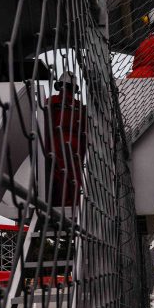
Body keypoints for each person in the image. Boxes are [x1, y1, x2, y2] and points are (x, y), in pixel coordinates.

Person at [46, 71, 86, 207]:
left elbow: (44, 123)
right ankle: (74, 205)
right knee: (75, 175)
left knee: (57, 174)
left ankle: (58, 205)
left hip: (55, 142)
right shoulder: (80, 107)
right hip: (76, 145)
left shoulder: (51, 102)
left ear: (59, 86)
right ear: (74, 89)